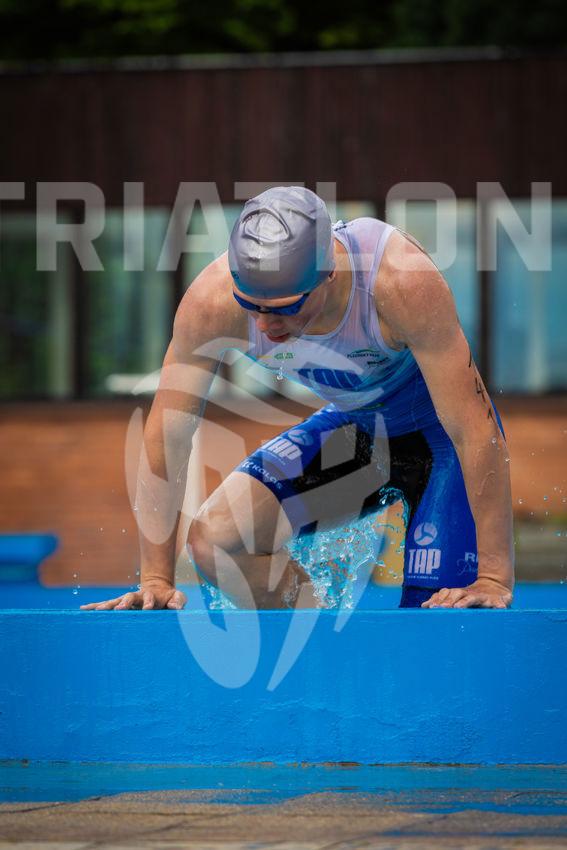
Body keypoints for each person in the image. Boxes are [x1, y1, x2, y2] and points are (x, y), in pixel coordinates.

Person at [81, 186, 514, 613]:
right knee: (218, 542)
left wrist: (493, 577)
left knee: (434, 622)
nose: (266, 327)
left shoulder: (398, 278)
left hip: (441, 442)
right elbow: (168, 435)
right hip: (358, 430)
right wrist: (156, 580)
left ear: (329, 273)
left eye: (286, 308)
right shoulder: (211, 302)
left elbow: (473, 427)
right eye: (251, 306)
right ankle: (320, 635)